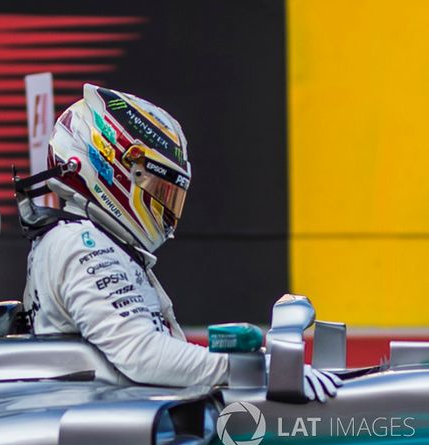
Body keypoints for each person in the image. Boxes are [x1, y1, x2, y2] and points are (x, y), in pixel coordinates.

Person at [22, 84, 341, 400]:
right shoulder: (82, 243)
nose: (165, 205)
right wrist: (259, 370)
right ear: (109, 169)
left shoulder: (88, 240)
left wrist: (249, 362)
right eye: (158, 189)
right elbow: (140, 354)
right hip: (110, 439)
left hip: (121, 429)